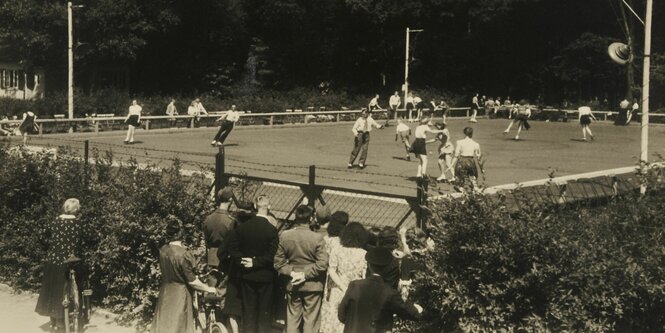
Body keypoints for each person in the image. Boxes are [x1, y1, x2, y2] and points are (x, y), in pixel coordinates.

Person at [151, 216, 218, 333]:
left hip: (165, 293)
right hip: (180, 296)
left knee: (164, 325)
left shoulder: (162, 250)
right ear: (181, 234)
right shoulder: (183, 254)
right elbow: (192, 281)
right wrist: (209, 288)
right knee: (179, 327)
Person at [337, 247, 423, 333]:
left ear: (369, 266)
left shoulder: (355, 285)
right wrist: (418, 310)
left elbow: (342, 315)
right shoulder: (389, 293)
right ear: (387, 268)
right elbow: (409, 313)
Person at [226, 195, 279, 333]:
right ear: (269, 207)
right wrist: (256, 262)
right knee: (264, 315)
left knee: (248, 313)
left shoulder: (243, 228)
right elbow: (272, 255)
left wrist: (243, 260)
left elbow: (232, 248)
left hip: (247, 275)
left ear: (255, 207)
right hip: (265, 277)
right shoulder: (272, 230)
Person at [274, 205, 329, 333]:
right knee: (311, 321)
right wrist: (303, 274)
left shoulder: (285, 235)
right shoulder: (317, 238)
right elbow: (322, 264)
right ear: (311, 218)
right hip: (312, 284)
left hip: (292, 283)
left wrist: (293, 273)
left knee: (292, 320)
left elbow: (278, 262)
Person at [35, 199, 83, 331]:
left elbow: (41, 235)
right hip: (70, 260)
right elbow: (86, 238)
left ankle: (54, 321)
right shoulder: (78, 223)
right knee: (67, 289)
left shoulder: (55, 221)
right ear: (75, 209)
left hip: (54, 260)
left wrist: (52, 246)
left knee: (53, 290)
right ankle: (66, 320)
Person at [320, 222, 369, 333]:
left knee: (333, 318)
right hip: (355, 291)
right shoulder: (364, 254)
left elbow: (331, 270)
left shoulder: (337, 250)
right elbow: (364, 275)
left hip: (337, 289)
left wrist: (342, 286)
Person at [203, 187, 240, 333]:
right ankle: (222, 324)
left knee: (210, 293)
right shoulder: (231, 221)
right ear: (230, 200)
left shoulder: (208, 218)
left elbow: (206, 241)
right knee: (224, 293)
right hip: (225, 260)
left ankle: (209, 324)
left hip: (211, 257)